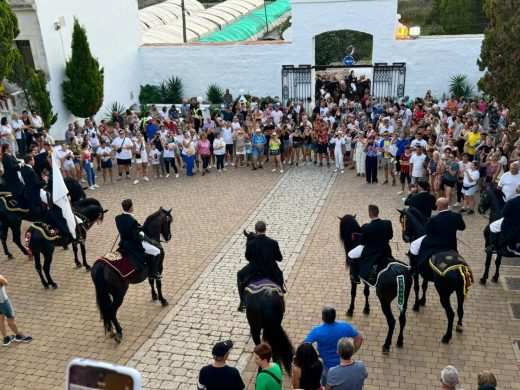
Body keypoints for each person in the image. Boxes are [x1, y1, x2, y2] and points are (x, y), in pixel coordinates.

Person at [304, 306, 363, 386]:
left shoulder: (317, 331)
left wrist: (315, 357)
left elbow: (305, 345)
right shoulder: (344, 326)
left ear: (323, 317)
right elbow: (359, 338)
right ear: (335, 316)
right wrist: (351, 352)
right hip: (343, 365)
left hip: (326, 366)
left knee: (325, 383)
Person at [236, 221, 284, 311]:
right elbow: (279, 258)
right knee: (280, 275)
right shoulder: (273, 242)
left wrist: (249, 241)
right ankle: (282, 292)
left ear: (256, 229)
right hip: (270, 269)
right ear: (265, 229)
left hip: (254, 270)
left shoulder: (251, 243)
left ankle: (242, 302)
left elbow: (248, 258)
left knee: (239, 275)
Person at [409, 197, 466, 266]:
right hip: (451, 243)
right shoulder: (457, 215)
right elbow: (462, 227)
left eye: (436, 203)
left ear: (439, 206)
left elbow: (427, 231)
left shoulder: (433, 219)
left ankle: (413, 268)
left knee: (414, 244)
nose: (435, 204)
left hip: (436, 243)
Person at [115, 199, 161, 280]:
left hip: (124, 243)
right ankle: (152, 273)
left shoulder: (118, 218)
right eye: (132, 206)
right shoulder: (132, 220)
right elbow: (136, 238)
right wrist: (141, 235)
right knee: (157, 252)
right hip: (133, 244)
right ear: (130, 208)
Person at [348, 204, 393, 283]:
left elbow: (362, 242)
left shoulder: (367, 227)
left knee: (350, 254)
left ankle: (355, 277)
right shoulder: (388, 223)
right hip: (385, 248)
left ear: (369, 214)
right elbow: (390, 236)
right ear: (378, 212)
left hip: (371, 250)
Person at [486, 184, 520, 255]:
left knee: (493, 225)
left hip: (511, 222)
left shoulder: (511, 201)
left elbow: (504, 213)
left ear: (517, 191)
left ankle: (494, 246)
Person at [0, 274, 33, 346]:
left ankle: (6, 338)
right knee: (10, 320)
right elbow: (6, 283)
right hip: (3, 302)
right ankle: (18, 336)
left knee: (0, 320)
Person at [20, 154, 46, 220]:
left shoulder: (23, 168)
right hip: (34, 193)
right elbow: (36, 184)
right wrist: (45, 181)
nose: (34, 161)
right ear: (30, 161)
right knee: (37, 212)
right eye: (33, 160)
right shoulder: (31, 171)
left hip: (28, 191)